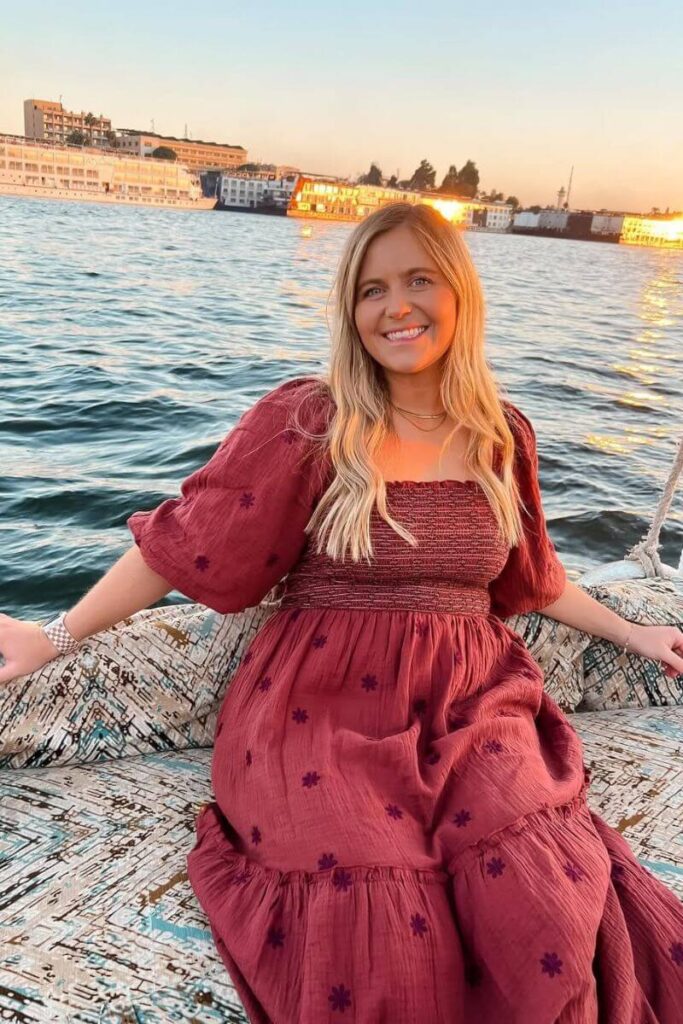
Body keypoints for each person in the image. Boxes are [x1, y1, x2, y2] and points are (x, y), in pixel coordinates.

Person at [1, 202, 682, 1023]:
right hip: (319, 707)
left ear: (459, 294)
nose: (395, 306)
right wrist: (53, 634)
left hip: (474, 702)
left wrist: (631, 630)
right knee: (384, 919)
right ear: (349, 311)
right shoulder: (308, 421)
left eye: (418, 280)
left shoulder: (503, 434)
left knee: (542, 898)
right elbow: (186, 547)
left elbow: (530, 579)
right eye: (371, 289)